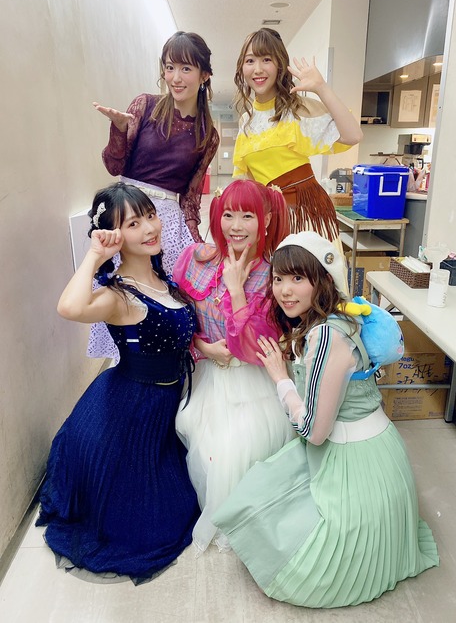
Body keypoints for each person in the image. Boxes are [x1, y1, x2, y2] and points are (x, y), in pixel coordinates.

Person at [213, 231, 439, 608]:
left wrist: (280, 378)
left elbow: (313, 432)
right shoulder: (344, 316)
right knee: (266, 488)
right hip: (381, 454)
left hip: (353, 461)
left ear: (323, 280)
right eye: (279, 278)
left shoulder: (324, 338)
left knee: (272, 527)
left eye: (298, 278)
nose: (285, 290)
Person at [36, 182, 200, 584]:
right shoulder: (119, 296)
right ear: (114, 235)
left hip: (165, 404)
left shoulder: (162, 278)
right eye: (133, 223)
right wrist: (95, 255)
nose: (150, 228)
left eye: (150, 216)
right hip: (131, 411)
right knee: (154, 521)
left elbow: (179, 336)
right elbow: (69, 307)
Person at [172, 179, 296, 553]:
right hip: (207, 375)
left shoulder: (275, 275)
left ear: (266, 218)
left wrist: (237, 290)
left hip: (253, 381)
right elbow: (176, 320)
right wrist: (203, 347)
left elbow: (259, 348)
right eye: (228, 215)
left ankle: (242, 524)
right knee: (201, 442)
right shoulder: (196, 259)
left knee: (236, 450)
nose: (236, 226)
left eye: (247, 216)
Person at [90, 30, 219, 359]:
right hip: (127, 212)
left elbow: (191, 197)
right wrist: (119, 130)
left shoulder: (208, 134)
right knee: (124, 293)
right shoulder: (145, 105)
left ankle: (171, 364)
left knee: (169, 297)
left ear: (204, 75)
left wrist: (197, 241)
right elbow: (114, 165)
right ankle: (127, 366)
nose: (175, 77)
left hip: (167, 222)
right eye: (170, 67)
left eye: (186, 68)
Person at [233, 27, 363, 243]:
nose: (258, 69)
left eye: (266, 59)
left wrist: (321, 88)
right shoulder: (246, 120)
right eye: (250, 61)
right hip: (271, 216)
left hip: (305, 213)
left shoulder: (296, 109)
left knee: (307, 265)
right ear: (241, 67)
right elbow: (247, 179)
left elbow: (353, 135)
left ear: (279, 65)